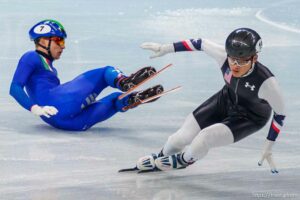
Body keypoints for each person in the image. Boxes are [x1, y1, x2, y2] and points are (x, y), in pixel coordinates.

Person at [135, 28, 286, 173]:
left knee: (205, 137)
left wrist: (268, 145)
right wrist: (165, 48)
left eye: (241, 61)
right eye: (232, 59)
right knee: (179, 138)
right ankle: (161, 157)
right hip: (225, 100)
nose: (235, 65)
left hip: (250, 118)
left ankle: (184, 160)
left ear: (254, 58)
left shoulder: (267, 84)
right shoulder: (223, 56)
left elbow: (280, 114)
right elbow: (200, 43)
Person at [10, 19, 163, 131]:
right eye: (59, 41)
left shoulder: (49, 68)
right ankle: (125, 82)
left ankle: (132, 99)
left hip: (66, 123)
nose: (63, 46)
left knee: (115, 101)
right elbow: (15, 87)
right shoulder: (31, 57)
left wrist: (39, 110)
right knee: (105, 73)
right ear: (43, 41)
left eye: (63, 42)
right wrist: (34, 108)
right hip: (60, 103)